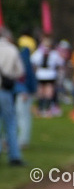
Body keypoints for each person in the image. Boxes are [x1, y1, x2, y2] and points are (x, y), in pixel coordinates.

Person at [0, 27, 26, 165]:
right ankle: (14, 156)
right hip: (4, 90)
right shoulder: (11, 50)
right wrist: (10, 77)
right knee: (10, 123)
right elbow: (20, 71)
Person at [15, 29, 37, 149]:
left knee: (22, 115)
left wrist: (24, 89)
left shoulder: (23, 56)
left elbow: (24, 75)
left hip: (23, 91)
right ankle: (23, 139)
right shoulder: (28, 57)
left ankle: (22, 140)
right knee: (25, 116)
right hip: (27, 90)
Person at [32, 37, 64, 117]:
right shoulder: (54, 53)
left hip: (40, 74)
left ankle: (40, 108)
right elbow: (61, 63)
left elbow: (32, 61)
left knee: (41, 92)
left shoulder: (38, 52)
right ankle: (47, 109)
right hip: (50, 74)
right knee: (49, 92)